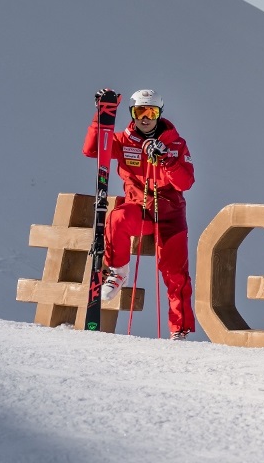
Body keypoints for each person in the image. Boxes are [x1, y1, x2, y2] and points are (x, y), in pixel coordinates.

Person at [83, 88, 196, 341]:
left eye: (151, 112)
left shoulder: (175, 143)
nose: (145, 118)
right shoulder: (124, 141)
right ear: (132, 114)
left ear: (159, 114)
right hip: (140, 208)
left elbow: (185, 183)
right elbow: (93, 150)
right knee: (117, 218)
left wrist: (166, 159)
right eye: (139, 111)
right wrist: (101, 117)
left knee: (176, 273)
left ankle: (180, 329)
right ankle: (118, 270)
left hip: (170, 216)